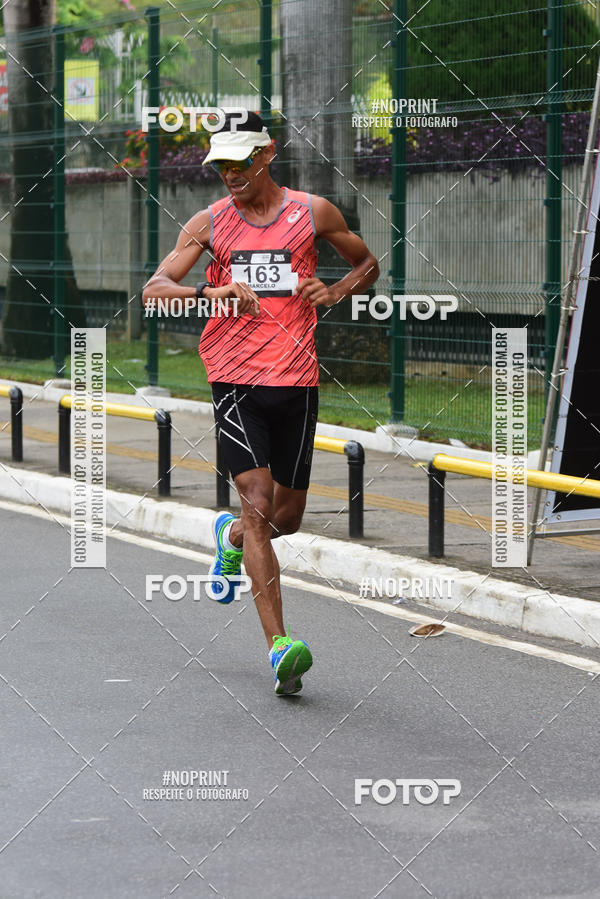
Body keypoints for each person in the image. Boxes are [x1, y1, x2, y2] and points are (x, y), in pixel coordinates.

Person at [143, 111, 379, 695]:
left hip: (296, 379)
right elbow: (155, 290)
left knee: (286, 519)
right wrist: (210, 290)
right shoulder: (211, 222)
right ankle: (280, 647)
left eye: (240, 162)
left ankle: (230, 540)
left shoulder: (313, 212)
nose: (229, 174)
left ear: (267, 154)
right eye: (220, 164)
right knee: (257, 499)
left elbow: (367, 264)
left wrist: (336, 290)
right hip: (234, 376)